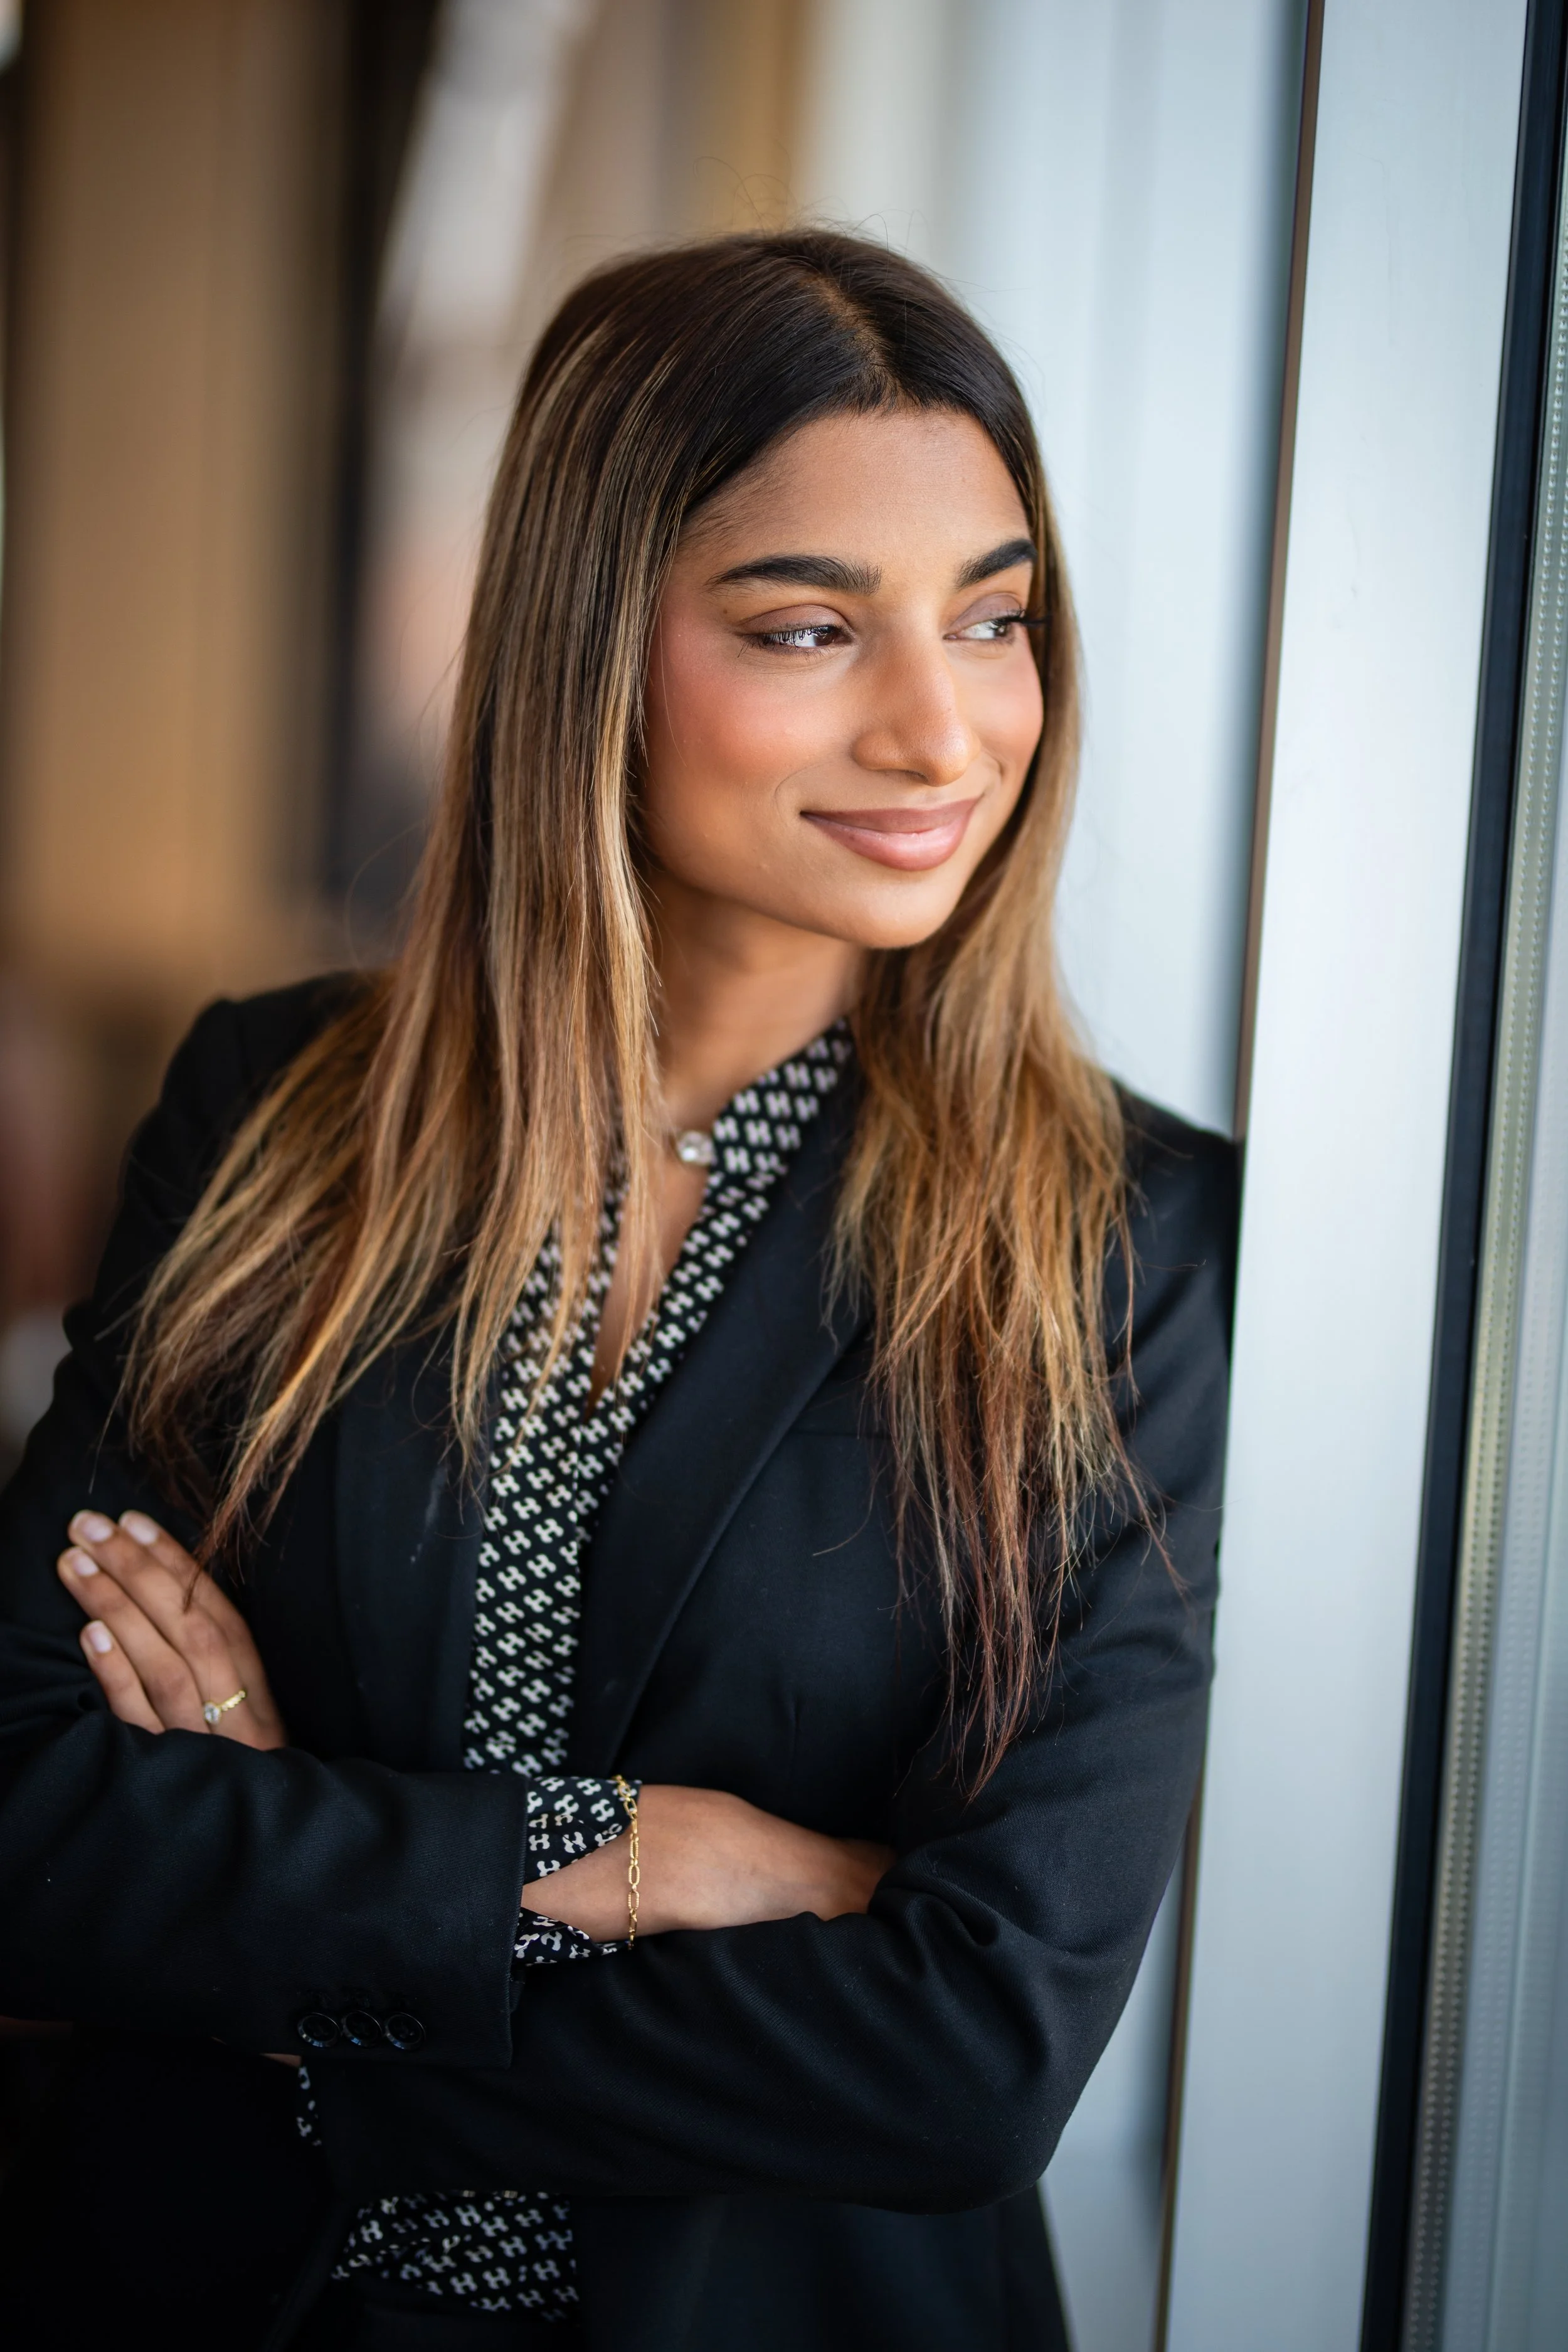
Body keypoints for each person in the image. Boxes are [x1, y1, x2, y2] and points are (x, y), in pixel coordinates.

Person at [0, 231, 1236, 2350]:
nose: (944, 727)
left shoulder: (1123, 1236)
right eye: (807, 624)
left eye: (994, 616)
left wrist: (308, 1962)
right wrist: (640, 1851)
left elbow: (970, 2048)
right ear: (594, 644)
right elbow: (33, 1811)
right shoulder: (273, 1108)